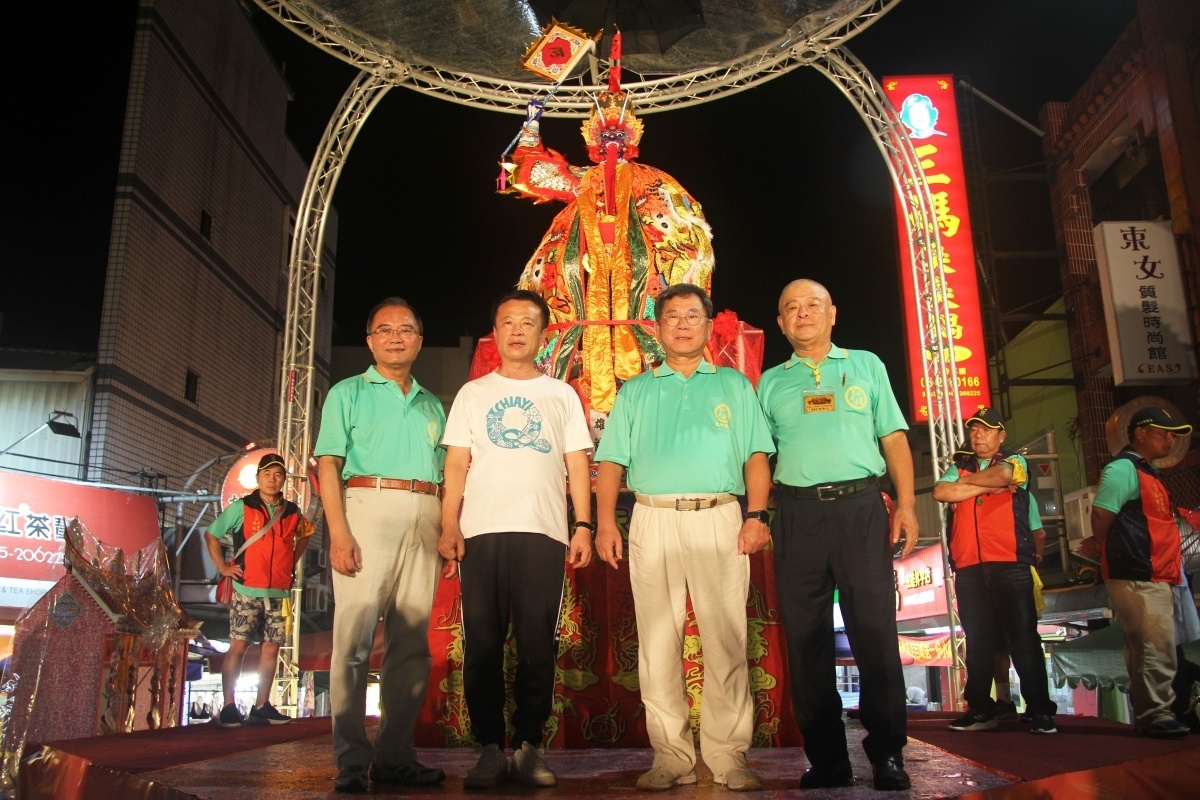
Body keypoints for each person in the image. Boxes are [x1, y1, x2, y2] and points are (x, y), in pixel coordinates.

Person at [594, 283, 775, 793]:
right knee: (657, 642)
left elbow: (756, 456)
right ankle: (670, 755)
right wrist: (607, 522)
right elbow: (610, 463)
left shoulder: (735, 386)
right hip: (653, 518)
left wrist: (756, 514)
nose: (681, 324)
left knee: (725, 638)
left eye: (692, 315)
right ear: (658, 327)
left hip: (719, 515)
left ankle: (728, 755)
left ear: (708, 323)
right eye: (671, 316)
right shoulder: (636, 390)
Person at [756, 279, 917, 791]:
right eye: (791, 309)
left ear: (832, 314)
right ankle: (827, 759)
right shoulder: (769, 383)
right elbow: (758, 456)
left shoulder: (866, 365)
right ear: (780, 324)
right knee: (806, 642)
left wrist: (908, 504)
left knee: (874, 633)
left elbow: (892, 437)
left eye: (812, 305)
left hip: (861, 509)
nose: (802, 314)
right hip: (797, 515)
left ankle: (887, 753)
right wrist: (756, 515)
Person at [438, 289, 594, 789]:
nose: (518, 330)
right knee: (481, 644)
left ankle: (529, 747)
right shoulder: (472, 394)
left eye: (528, 322)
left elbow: (577, 465)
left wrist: (583, 525)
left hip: (543, 533)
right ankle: (487, 749)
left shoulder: (561, 394)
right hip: (481, 534)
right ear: (496, 333)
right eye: (508, 322)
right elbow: (457, 464)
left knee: (536, 646)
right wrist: (449, 524)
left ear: (543, 333)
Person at [314, 298, 448, 793]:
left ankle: (395, 754)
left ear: (419, 339)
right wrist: (340, 531)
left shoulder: (434, 404)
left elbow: (448, 474)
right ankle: (351, 759)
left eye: (406, 329)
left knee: (411, 646)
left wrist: (448, 529)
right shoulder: (347, 393)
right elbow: (328, 464)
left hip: (427, 513)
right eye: (384, 329)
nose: (396, 337)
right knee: (352, 643)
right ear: (370, 339)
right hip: (367, 507)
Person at [932, 406, 1058, 734]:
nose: (978, 435)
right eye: (974, 430)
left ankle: (1040, 709)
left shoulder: (1015, 461)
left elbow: (1005, 476)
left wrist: (969, 485)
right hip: (970, 567)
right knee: (977, 641)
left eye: (986, 430)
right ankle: (980, 709)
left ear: (1000, 435)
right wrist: (985, 485)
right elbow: (941, 492)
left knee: (1023, 639)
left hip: (1010, 562)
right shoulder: (959, 466)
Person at [1091, 406, 1193, 738]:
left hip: (1148, 570)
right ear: (1141, 434)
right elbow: (1101, 516)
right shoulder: (1124, 469)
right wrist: (1104, 546)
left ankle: (1151, 713)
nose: (1171, 439)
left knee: (1145, 644)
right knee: (1155, 643)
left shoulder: (1144, 470)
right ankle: (1156, 713)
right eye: (1164, 433)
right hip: (1137, 570)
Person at [205, 452, 313, 727]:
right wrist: (223, 568)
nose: (272, 479)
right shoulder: (243, 506)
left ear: (284, 480)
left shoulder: (291, 511)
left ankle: (262, 704)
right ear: (258, 478)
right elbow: (212, 533)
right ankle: (230, 705)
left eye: (278, 475)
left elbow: (305, 535)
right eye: (267, 474)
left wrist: (290, 562)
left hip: (278, 592)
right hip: (246, 589)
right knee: (238, 646)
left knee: (272, 648)